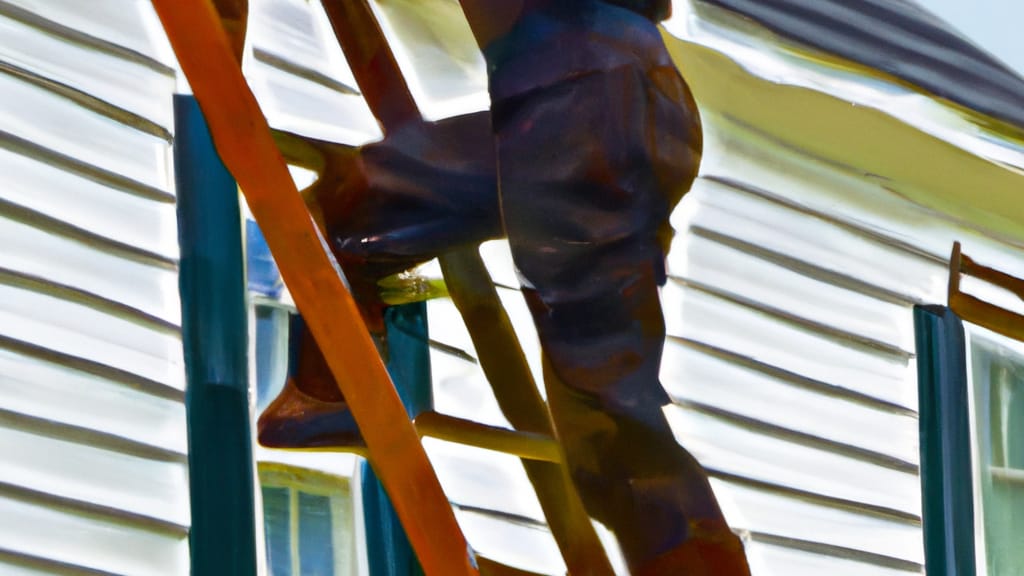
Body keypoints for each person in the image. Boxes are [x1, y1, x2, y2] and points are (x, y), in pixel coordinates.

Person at [260, 1, 751, 573]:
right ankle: (328, 396)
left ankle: (328, 397)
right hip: (601, 102)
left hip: (580, 103)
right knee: (355, 209)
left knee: (608, 416)